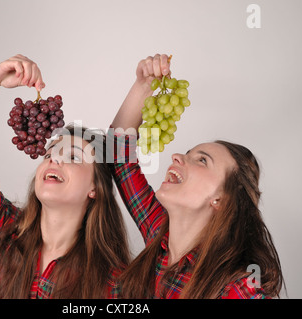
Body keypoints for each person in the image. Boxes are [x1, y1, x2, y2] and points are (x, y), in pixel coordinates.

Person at [0, 54, 130, 298]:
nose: (55, 159)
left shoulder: (115, 284)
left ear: (94, 188)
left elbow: (123, 149)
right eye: (50, 153)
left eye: (73, 157)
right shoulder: (11, 235)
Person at [110, 54, 284, 299]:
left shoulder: (240, 288)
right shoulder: (158, 233)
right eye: (189, 153)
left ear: (220, 200)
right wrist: (142, 86)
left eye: (202, 160)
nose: (178, 156)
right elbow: (117, 156)